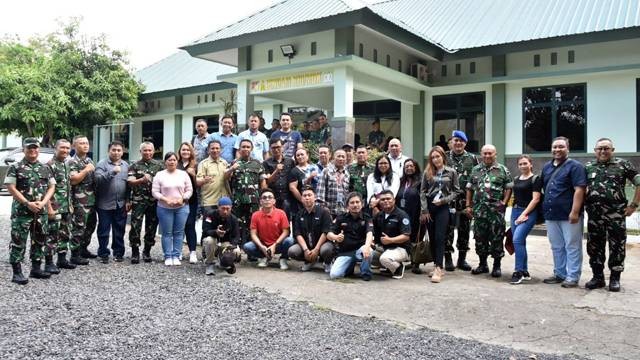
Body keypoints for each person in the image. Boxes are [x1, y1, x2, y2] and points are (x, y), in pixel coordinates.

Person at [584, 138, 640, 292]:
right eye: (600, 148)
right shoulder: (588, 167)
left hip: (616, 215)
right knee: (594, 247)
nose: (603, 151)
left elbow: (639, 182)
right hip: (595, 216)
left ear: (612, 150)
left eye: (606, 148)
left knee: (617, 247)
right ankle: (598, 277)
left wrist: (633, 205)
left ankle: (615, 278)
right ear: (595, 150)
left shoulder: (623, 165)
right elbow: (580, 188)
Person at [6, 138, 56, 284]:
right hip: (22, 212)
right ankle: (17, 272)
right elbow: (11, 187)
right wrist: (27, 203)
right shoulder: (16, 167)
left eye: (35, 148)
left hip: (40, 212)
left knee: (40, 240)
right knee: (18, 241)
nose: (32, 150)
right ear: (24, 150)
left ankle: (36, 269)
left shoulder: (45, 168)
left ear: (39, 149)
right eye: (29, 148)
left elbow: (52, 187)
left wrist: (44, 203)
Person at [541, 137, 586, 288]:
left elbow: (579, 189)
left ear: (568, 149)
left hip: (569, 215)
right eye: (555, 147)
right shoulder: (547, 167)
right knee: (556, 246)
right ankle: (559, 273)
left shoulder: (575, 166)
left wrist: (575, 212)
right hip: (551, 214)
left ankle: (572, 276)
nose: (557, 150)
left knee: (572, 246)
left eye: (561, 147)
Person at [466, 144, 513, 278]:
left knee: (497, 238)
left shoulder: (503, 170)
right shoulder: (475, 169)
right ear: (481, 154)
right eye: (485, 153)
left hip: (496, 212)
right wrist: (468, 205)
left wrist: (504, 203)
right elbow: (469, 188)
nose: (487, 156)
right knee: (480, 238)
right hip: (479, 211)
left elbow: (509, 187)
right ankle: (482, 265)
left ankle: (497, 266)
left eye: (490, 153)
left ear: (495, 154)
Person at [420, 147, 460, 282]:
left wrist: (444, 200)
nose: (435, 159)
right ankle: (436, 264)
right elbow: (423, 192)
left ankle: (438, 268)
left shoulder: (452, 172)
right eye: (433, 157)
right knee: (432, 237)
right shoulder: (427, 172)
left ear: (443, 157)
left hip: (443, 207)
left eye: (438, 156)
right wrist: (424, 210)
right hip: (430, 207)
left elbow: (456, 192)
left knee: (440, 236)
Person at [445, 130, 479, 271]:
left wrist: (473, 203)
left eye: (461, 141)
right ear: (451, 142)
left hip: (466, 202)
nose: (458, 143)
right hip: (448, 201)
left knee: (464, 231)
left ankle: (462, 259)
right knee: (448, 230)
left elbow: (477, 179)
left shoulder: (472, 158)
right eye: (455, 140)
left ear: (465, 143)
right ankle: (447, 259)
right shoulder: (444, 157)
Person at [152, 152, 193, 266]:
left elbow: (189, 190)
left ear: (177, 161)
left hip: (182, 207)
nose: (172, 162)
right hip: (164, 208)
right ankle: (168, 256)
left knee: (179, 232)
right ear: (165, 162)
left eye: (174, 160)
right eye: (169, 160)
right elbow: (154, 192)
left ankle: (176, 255)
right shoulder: (159, 175)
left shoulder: (183, 174)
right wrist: (165, 199)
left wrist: (183, 198)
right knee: (167, 233)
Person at [127, 142, 164, 264]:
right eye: (145, 150)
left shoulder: (159, 166)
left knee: (152, 226)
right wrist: (141, 180)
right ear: (140, 152)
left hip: (153, 201)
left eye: (150, 150)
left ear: (153, 151)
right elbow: (130, 182)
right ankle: (135, 251)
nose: (147, 152)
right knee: (135, 226)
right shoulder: (134, 165)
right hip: (138, 201)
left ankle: (147, 251)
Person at [94, 141, 129, 263]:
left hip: (120, 203)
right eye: (114, 150)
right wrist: (112, 172)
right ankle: (103, 252)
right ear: (109, 151)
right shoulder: (102, 164)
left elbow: (128, 184)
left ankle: (118, 252)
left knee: (119, 229)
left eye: (119, 150)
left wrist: (128, 200)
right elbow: (97, 179)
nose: (116, 152)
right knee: (104, 230)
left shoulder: (125, 165)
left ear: (122, 152)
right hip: (104, 203)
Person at [509, 155, 542, 284]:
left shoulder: (535, 179)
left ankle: (518, 272)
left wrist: (524, 214)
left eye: (525, 163)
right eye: (520, 164)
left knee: (517, 240)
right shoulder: (516, 179)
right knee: (519, 241)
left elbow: (536, 199)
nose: (523, 166)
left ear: (531, 164)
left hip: (528, 212)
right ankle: (525, 271)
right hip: (515, 211)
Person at [226, 139, 266, 245]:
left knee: (252, 225)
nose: (245, 149)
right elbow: (225, 178)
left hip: (254, 200)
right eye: (243, 147)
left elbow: (263, 182)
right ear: (239, 149)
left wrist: (263, 199)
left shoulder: (257, 164)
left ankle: (250, 250)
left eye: (248, 147)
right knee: (236, 224)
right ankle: (236, 250)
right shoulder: (234, 163)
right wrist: (231, 169)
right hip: (237, 200)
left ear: (251, 149)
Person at [327, 192, 374, 281]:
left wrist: (367, 246)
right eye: (352, 203)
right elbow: (329, 234)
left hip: (360, 251)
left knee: (369, 250)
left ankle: (365, 273)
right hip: (345, 252)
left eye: (357, 202)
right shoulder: (341, 218)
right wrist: (336, 237)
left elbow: (369, 233)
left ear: (362, 204)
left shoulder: (367, 217)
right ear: (347, 206)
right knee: (334, 275)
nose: (355, 205)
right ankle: (349, 267)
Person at [243, 188, 294, 269]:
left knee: (290, 241)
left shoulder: (281, 213)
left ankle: (283, 258)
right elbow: (253, 234)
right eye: (264, 197)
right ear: (260, 201)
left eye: (270, 197)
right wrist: (261, 246)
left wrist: (275, 245)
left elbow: (286, 232)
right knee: (247, 247)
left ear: (274, 201)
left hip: (278, 245)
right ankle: (265, 257)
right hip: (263, 246)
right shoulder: (255, 215)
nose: (267, 199)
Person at [288, 186, 334, 272]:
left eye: (309, 195)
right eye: (304, 196)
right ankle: (309, 261)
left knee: (327, 250)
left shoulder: (324, 212)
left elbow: (325, 232)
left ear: (315, 197)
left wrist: (316, 249)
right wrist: (305, 249)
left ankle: (327, 262)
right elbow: (298, 234)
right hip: (307, 245)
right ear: (301, 198)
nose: (307, 198)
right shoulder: (299, 214)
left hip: (322, 245)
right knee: (292, 251)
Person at [46, 139, 76, 272]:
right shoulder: (49, 165)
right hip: (55, 206)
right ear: (56, 148)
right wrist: (49, 208)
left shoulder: (66, 164)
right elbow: (44, 189)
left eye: (67, 148)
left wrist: (70, 205)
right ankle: (48, 262)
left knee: (65, 233)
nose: (65, 150)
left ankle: (62, 259)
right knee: (52, 235)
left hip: (66, 206)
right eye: (62, 148)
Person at [68, 135, 97, 265]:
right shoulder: (72, 162)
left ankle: (83, 249)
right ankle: (75, 254)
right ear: (74, 146)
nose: (85, 145)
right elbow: (73, 180)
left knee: (90, 226)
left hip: (91, 200)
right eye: (81, 143)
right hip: (79, 201)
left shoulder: (89, 160)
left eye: (86, 143)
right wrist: (86, 170)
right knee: (79, 227)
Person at [373, 190, 411, 279]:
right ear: (379, 202)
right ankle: (389, 268)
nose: (386, 201)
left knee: (384, 259)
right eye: (382, 199)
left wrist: (391, 240)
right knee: (368, 255)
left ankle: (398, 268)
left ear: (394, 200)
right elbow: (374, 232)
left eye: (388, 199)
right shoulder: (379, 215)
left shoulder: (402, 215)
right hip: (384, 248)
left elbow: (406, 236)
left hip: (401, 248)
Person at [201, 197, 241, 275]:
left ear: (231, 208)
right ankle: (209, 264)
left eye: (227, 209)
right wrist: (216, 232)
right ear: (218, 207)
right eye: (223, 208)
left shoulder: (233, 219)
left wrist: (231, 248)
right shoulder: (210, 215)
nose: (225, 211)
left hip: (225, 243)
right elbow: (205, 230)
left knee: (236, 251)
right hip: (212, 241)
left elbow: (236, 236)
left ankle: (224, 262)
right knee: (209, 240)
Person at [397, 158, 424, 274]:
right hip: (403, 214)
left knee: (416, 238)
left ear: (416, 167)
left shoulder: (421, 181)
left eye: (411, 166)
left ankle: (416, 262)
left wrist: (423, 212)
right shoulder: (400, 181)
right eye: (406, 166)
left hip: (416, 213)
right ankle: (406, 259)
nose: (409, 168)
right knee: (405, 237)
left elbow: (424, 198)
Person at [177, 142, 199, 264]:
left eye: (187, 150)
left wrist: (194, 175)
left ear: (191, 152)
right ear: (179, 151)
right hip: (177, 199)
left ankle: (193, 252)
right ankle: (178, 250)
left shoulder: (195, 165)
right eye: (183, 150)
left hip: (191, 200)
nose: (185, 152)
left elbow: (198, 185)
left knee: (190, 224)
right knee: (179, 225)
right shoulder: (176, 164)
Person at [263, 139, 295, 213]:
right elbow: (268, 181)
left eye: (278, 147)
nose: (276, 150)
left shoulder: (290, 161)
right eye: (273, 148)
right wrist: (276, 171)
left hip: (287, 196)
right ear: (270, 149)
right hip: (273, 197)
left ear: (282, 147)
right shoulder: (266, 163)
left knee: (286, 220)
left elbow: (293, 179)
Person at [317, 149, 350, 217]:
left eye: (343, 157)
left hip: (343, 212)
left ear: (346, 159)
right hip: (329, 211)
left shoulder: (347, 174)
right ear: (333, 158)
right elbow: (320, 194)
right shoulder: (326, 171)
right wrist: (324, 210)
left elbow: (347, 193)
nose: (341, 159)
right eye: (338, 156)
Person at [196, 140, 230, 209]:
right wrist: (204, 180)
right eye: (212, 148)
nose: (215, 150)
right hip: (209, 202)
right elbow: (198, 183)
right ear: (208, 150)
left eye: (217, 148)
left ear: (221, 150)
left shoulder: (224, 163)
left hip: (224, 201)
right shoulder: (203, 164)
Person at [288, 148, 320, 216]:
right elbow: (292, 188)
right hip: (300, 205)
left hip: (315, 202)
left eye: (302, 154)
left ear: (307, 155)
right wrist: (303, 200)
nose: (300, 157)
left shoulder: (314, 167)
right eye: (298, 155)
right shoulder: (294, 171)